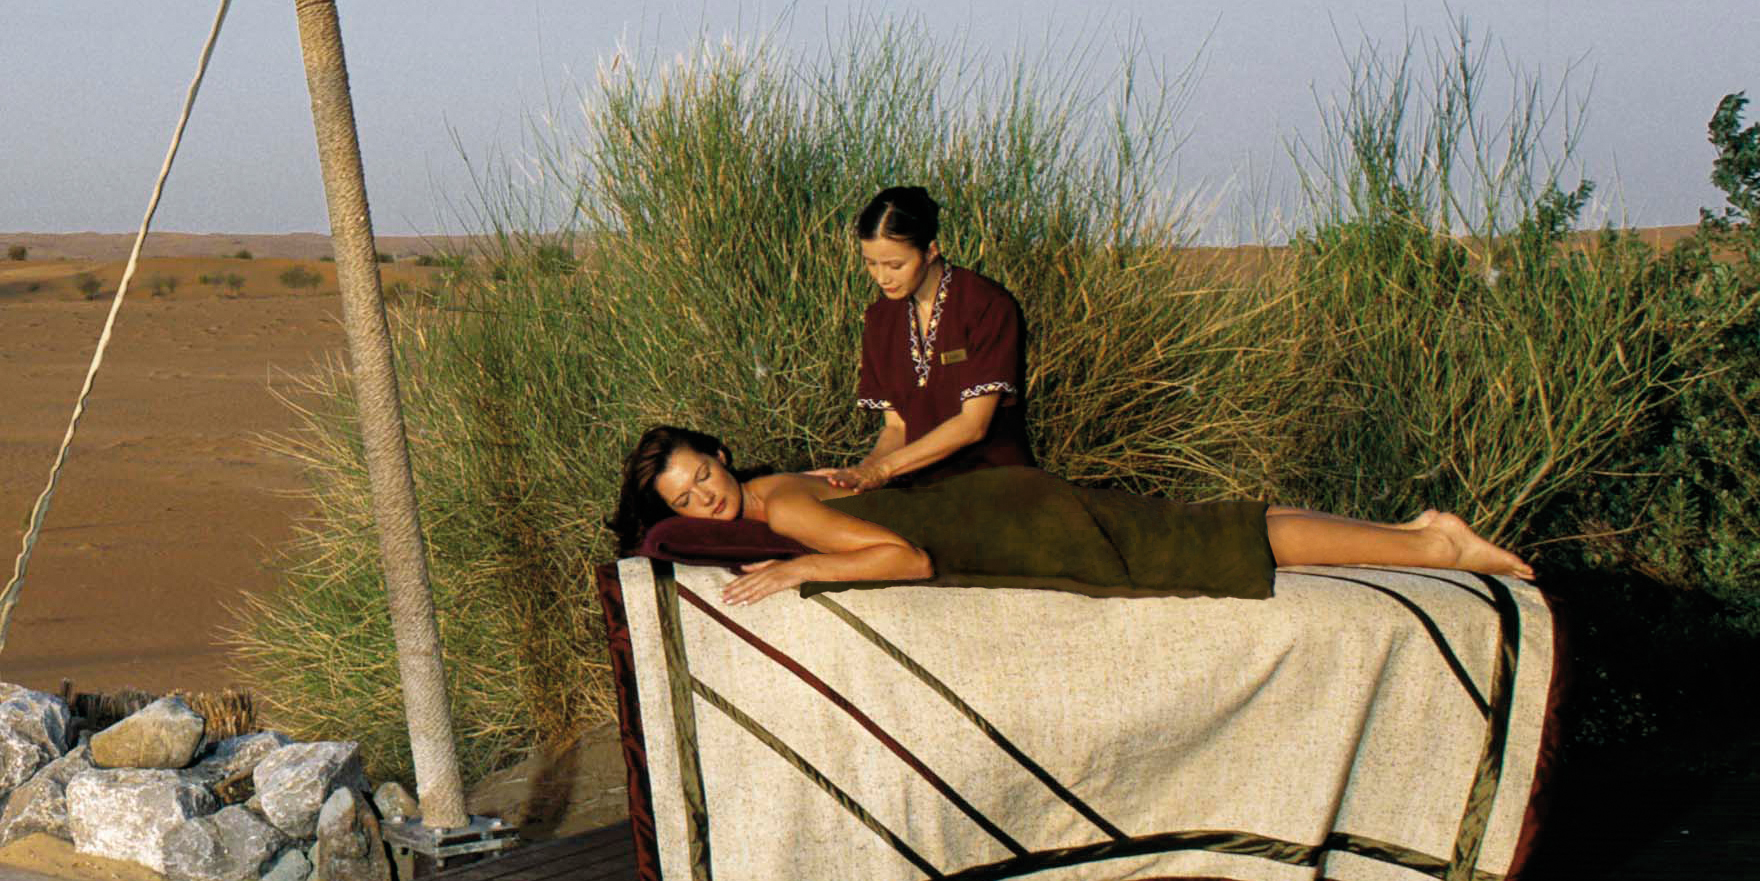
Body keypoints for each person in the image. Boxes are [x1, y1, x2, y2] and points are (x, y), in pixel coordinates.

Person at [610, 423, 1532, 610]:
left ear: (719, 455)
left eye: (698, 475)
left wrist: (805, 566)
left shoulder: (784, 507)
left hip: (1017, 524)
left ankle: (1427, 543)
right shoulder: (778, 480)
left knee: (1214, 540)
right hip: (1008, 505)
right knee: (1205, 519)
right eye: (681, 499)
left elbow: (901, 558)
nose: (699, 500)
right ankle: (1413, 530)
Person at [828, 185, 1025, 492]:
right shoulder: (880, 319)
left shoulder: (986, 305)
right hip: (917, 484)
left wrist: (881, 470)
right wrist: (863, 472)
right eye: (871, 263)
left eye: (895, 265)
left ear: (931, 251)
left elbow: (973, 425)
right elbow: (896, 428)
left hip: (991, 481)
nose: (882, 278)